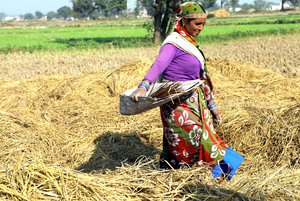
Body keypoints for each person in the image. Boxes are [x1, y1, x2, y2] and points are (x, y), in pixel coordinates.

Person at [131, 2, 244, 180]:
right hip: (177, 104)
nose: (201, 28)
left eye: (203, 24)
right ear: (183, 21)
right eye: (197, 24)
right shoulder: (173, 43)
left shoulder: (190, 43)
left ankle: (210, 178)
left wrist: (212, 106)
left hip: (197, 102)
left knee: (205, 138)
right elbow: (159, 65)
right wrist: (144, 86)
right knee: (192, 139)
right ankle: (196, 177)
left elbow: (202, 78)